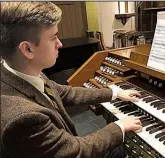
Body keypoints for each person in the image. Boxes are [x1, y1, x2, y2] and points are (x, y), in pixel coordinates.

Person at [0, 2, 142, 158]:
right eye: (53, 37)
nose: (60, 44)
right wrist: (119, 126)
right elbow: (78, 152)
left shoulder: (20, 72)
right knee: (122, 149)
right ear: (27, 49)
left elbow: (65, 92)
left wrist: (114, 93)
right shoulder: (24, 118)